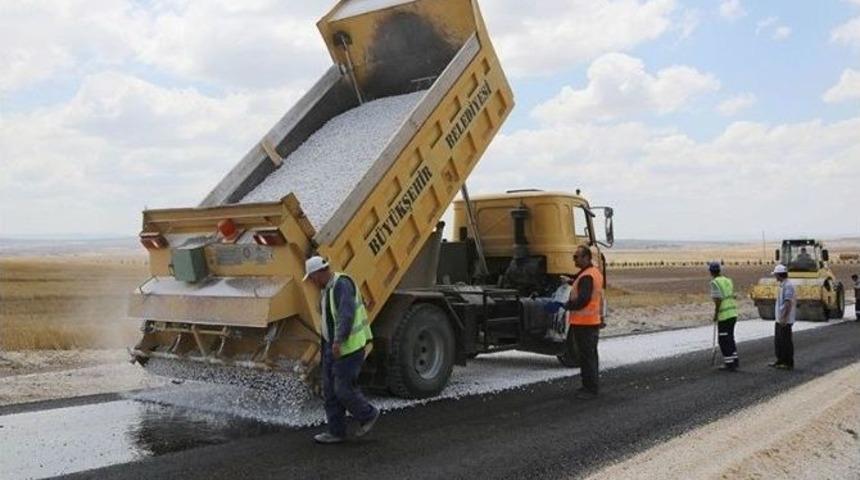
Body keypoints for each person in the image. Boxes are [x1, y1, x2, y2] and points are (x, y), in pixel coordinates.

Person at [304, 256, 379, 444]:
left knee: (343, 389)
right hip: (332, 347)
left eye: (312, 278)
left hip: (348, 348)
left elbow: (346, 316)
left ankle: (368, 414)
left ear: (320, 273)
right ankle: (336, 432)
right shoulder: (327, 289)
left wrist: (338, 342)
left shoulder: (341, 285)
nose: (312, 282)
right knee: (330, 391)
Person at [547, 245, 604, 399]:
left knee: (586, 357)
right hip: (590, 322)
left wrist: (566, 305)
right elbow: (585, 287)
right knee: (590, 356)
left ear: (586, 257)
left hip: (585, 323)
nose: (574, 260)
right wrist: (571, 281)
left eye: (576, 257)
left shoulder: (587, 276)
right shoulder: (592, 273)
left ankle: (590, 389)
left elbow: (584, 299)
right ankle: (590, 387)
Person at [708, 262, 739, 371]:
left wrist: (716, 314)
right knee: (730, 337)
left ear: (711, 271)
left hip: (724, 315)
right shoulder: (728, 280)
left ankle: (729, 363)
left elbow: (718, 300)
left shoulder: (714, 283)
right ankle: (735, 360)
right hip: (733, 313)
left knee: (723, 339)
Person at [769, 264, 795, 370]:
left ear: (780, 275)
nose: (775, 277)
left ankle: (787, 362)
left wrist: (784, 317)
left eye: (776, 275)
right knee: (779, 341)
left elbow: (788, 303)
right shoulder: (782, 285)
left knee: (785, 341)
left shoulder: (788, 286)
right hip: (780, 318)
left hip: (785, 319)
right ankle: (780, 360)